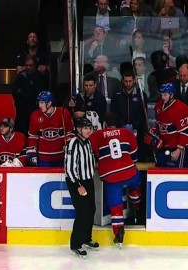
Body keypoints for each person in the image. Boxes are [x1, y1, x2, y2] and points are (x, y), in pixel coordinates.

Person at [90, 112, 141, 248]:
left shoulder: (97, 135)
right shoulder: (126, 132)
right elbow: (135, 154)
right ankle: (136, 205)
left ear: (104, 124)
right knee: (135, 183)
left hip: (111, 175)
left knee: (115, 206)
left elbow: (94, 152)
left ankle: (119, 234)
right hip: (129, 170)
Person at [64, 118, 98, 259]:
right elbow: (69, 168)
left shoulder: (88, 142)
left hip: (88, 180)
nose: (88, 131)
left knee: (91, 210)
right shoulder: (73, 143)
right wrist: (78, 185)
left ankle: (86, 238)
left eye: (90, 128)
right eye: (85, 128)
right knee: (83, 212)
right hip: (76, 182)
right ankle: (76, 244)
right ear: (78, 129)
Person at [145, 83, 188, 167]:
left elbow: (185, 131)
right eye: (161, 95)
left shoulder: (181, 108)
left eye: (165, 95)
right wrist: (154, 131)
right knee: (160, 169)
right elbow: (160, 124)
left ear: (171, 95)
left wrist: (179, 150)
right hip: (163, 147)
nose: (162, 97)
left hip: (176, 147)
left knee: (175, 174)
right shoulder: (158, 106)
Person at [27, 91, 74, 167]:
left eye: (42, 103)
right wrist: (32, 154)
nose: (39, 105)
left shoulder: (63, 113)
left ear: (49, 103)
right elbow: (33, 137)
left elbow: (70, 134)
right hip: (43, 159)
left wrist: (70, 150)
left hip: (62, 158)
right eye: (39, 102)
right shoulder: (35, 115)